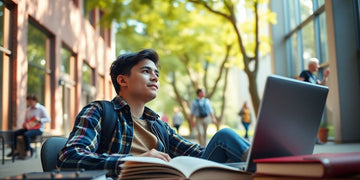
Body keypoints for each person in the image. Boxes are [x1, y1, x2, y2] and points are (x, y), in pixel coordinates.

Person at [57, 49, 250, 177]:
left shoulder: (158, 125)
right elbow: (70, 157)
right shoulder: (99, 111)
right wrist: (134, 161)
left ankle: (264, 162)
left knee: (224, 138)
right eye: (146, 71)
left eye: (156, 73)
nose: (155, 77)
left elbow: (199, 153)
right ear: (122, 80)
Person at [7, 94, 50, 159]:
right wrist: (24, 124)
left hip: (38, 129)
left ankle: (28, 151)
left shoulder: (41, 108)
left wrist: (40, 120)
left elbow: (48, 119)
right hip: (29, 128)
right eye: (28, 102)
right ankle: (15, 150)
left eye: (30, 102)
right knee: (14, 133)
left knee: (26, 134)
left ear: (35, 100)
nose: (29, 103)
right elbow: (26, 121)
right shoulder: (28, 110)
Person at [299, 57, 330, 144]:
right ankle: (305, 140)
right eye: (317, 64)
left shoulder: (314, 76)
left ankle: (314, 139)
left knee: (313, 121)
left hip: (312, 101)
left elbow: (321, 85)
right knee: (305, 121)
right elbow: (299, 83)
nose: (318, 66)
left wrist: (325, 76)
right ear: (311, 65)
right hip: (305, 101)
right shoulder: (304, 73)